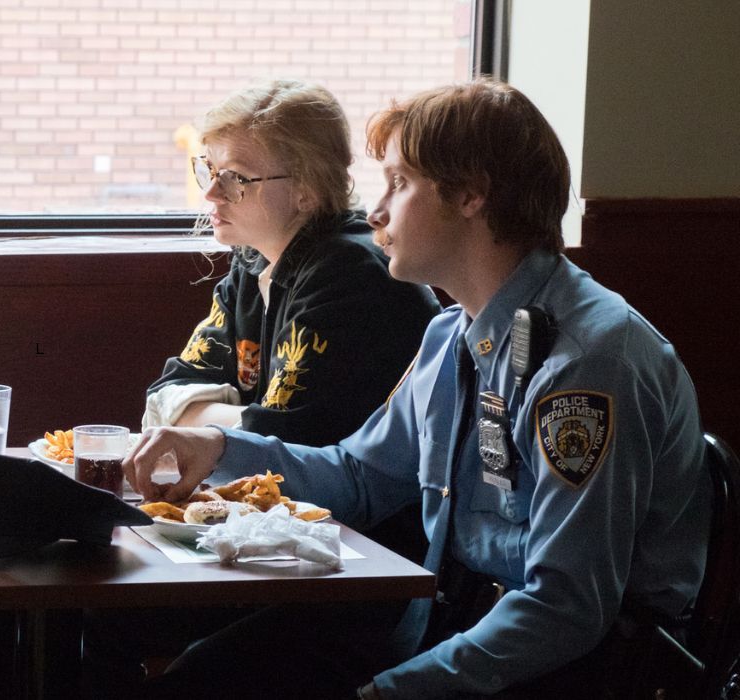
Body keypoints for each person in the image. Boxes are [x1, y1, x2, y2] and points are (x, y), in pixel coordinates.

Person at [122, 78, 711, 698]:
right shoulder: (450, 336)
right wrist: (218, 449)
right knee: (203, 676)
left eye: (400, 184)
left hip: (570, 670)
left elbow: (566, 608)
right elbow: (358, 477)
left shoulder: (589, 363)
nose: (375, 212)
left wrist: (394, 690)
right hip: (445, 621)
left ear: (470, 196)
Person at [145, 79, 439, 450]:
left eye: (235, 178)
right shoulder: (252, 260)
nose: (211, 193)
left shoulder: (350, 275)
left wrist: (214, 419)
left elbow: (277, 439)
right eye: (209, 169)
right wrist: (243, 419)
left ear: (307, 189)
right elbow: (167, 394)